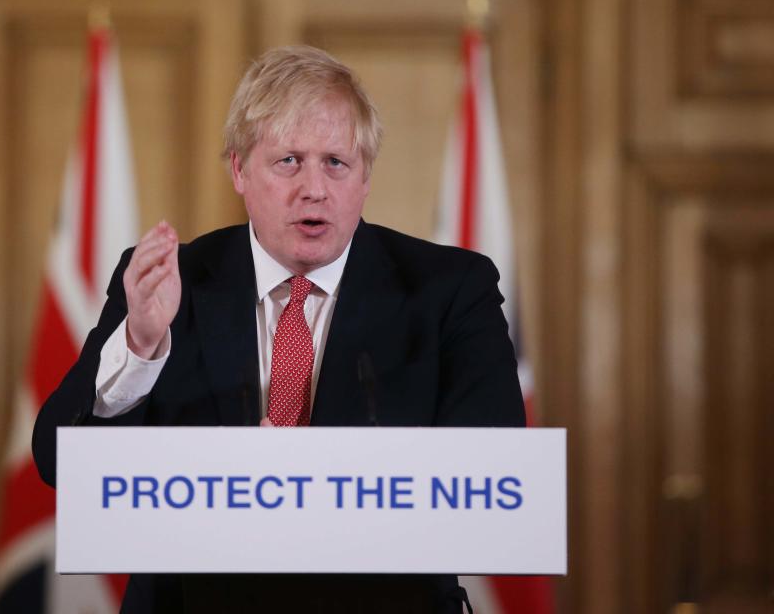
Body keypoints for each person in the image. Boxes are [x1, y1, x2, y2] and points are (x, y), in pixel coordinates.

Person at [33, 45, 525, 613]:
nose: (313, 188)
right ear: (240, 170)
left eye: (336, 163)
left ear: (365, 176)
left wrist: (309, 483)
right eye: (288, 161)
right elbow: (58, 463)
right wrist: (140, 346)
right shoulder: (173, 283)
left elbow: (491, 479)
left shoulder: (449, 290)